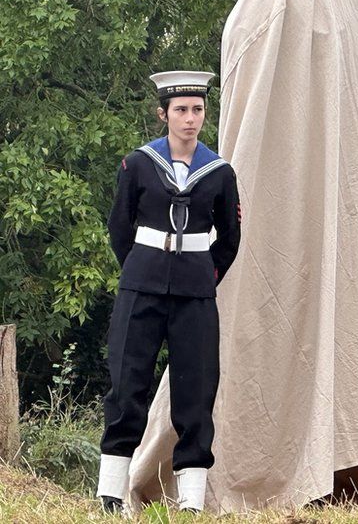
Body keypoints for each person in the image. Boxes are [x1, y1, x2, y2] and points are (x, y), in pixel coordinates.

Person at [96, 71, 242, 512]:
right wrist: (143, 268)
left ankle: (191, 502)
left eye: (197, 110)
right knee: (126, 385)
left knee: (196, 391)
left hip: (195, 291)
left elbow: (230, 238)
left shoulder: (219, 172)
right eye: (180, 110)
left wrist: (202, 276)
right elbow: (120, 228)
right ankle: (110, 497)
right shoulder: (138, 164)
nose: (190, 118)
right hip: (141, 285)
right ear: (163, 115)